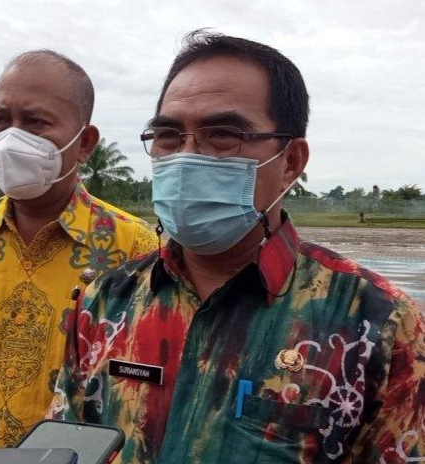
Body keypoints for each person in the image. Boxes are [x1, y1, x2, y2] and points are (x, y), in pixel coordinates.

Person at [48, 31, 425, 463]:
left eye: (223, 135)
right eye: (169, 135)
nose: (187, 157)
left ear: (291, 162)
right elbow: (67, 447)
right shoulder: (103, 303)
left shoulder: (377, 323)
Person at [0, 50, 157, 447]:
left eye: (35, 122)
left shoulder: (135, 247)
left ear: (84, 143)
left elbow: (142, 387)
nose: (10, 139)